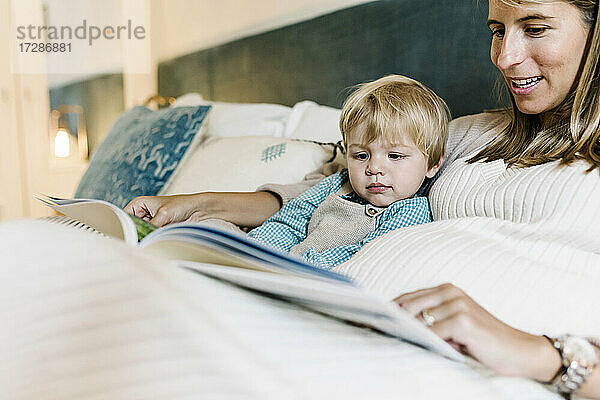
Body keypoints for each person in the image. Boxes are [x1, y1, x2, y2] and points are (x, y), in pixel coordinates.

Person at [126, 0, 600, 397]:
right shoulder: (464, 135)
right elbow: (329, 192)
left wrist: (543, 354)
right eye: (497, 30)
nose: (504, 56)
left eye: (535, 28)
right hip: (322, 330)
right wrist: (198, 206)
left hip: (456, 372)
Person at [244, 75, 448, 268]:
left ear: (432, 165)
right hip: (278, 266)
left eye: (394, 156)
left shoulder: (412, 212)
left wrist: (295, 265)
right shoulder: (337, 184)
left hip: (315, 278)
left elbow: (362, 256)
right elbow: (290, 220)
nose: (374, 168)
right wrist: (260, 250)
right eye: (361, 156)